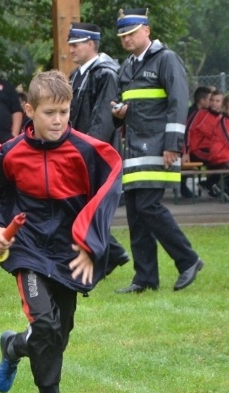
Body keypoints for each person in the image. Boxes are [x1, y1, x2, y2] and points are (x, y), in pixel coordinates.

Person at [0, 70, 122, 393]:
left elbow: (108, 190)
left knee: (57, 336)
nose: (58, 121)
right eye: (50, 112)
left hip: (68, 251)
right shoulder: (8, 153)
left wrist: (91, 242)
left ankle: (13, 346)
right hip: (28, 249)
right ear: (29, 110)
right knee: (46, 325)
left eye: (64, 112)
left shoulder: (88, 151)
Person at [111, 8, 203, 294]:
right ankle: (145, 278)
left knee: (149, 207)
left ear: (147, 30)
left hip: (158, 145)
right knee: (136, 213)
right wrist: (119, 113)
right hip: (135, 147)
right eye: (123, 35)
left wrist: (173, 145)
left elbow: (179, 103)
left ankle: (188, 259)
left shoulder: (166, 59)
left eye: (132, 33)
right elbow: (128, 107)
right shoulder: (126, 66)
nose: (127, 39)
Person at [66, 21, 130, 276]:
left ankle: (110, 254)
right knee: (82, 206)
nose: (70, 49)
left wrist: (87, 149)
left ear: (91, 44)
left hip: (95, 152)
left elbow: (103, 118)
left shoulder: (106, 73)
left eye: (75, 44)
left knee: (87, 206)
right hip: (81, 149)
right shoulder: (78, 74)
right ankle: (111, 253)